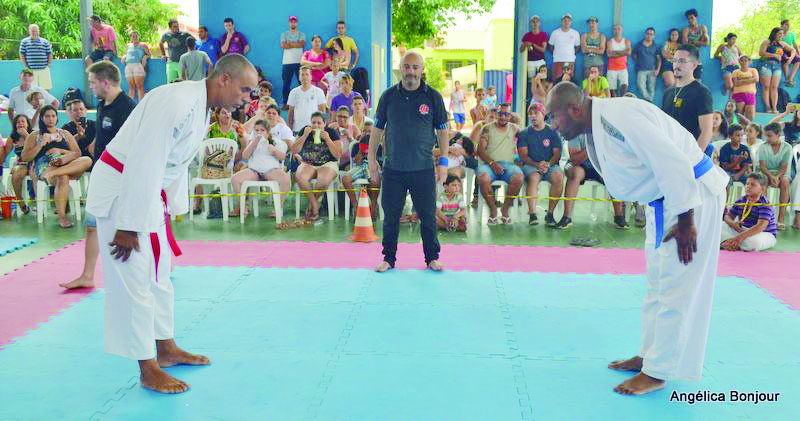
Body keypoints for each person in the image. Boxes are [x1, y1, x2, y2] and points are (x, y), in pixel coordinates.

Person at [85, 54, 257, 394]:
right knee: (135, 279)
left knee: (160, 272)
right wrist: (128, 225)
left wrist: (169, 210)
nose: (247, 98)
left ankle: (165, 347)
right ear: (224, 79)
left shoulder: (201, 107)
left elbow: (172, 165)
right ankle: (147, 367)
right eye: (245, 90)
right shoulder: (177, 101)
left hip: (147, 195)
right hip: (123, 191)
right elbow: (145, 159)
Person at [546, 81, 728, 396]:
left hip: (690, 199)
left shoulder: (619, 117)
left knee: (676, 287)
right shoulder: (598, 122)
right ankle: (649, 355)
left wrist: (686, 220)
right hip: (664, 200)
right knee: (657, 284)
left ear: (574, 109)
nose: (553, 125)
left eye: (554, 116)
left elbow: (672, 161)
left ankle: (658, 372)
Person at [369, 51, 449, 272]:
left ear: (422, 70)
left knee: (428, 216)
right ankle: (388, 258)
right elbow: (377, 129)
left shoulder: (433, 97)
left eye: (415, 67)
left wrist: (443, 161)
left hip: (423, 168)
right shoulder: (388, 96)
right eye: (407, 66)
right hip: (393, 168)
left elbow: (443, 131)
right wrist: (371, 159)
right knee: (391, 216)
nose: (411, 71)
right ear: (401, 69)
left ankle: (432, 258)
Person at [60, 61, 137, 290]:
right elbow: (103, 136)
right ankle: (87, 275)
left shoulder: (128, 108)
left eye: (93, 82)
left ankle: (156, 267)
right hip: (100, 173)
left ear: (105, 82)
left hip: (119, 177)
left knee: (129, 229)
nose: (91, 87)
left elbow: (134, 146)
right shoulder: (103, 104)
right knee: (92, 225)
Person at [21, 105, 92, 228]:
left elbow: (77, 153)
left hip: (65, 162)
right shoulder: (34, 135)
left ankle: (53, 173)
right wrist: (41, 144)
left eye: (53, 116)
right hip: (46, 164)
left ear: (57, 118)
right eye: (47, 116)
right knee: (63, 177)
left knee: (87, 160)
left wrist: (61, 152)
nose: (51, 119)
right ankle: (62, 218)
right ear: (42, 118)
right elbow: (25, 157)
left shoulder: (65, 133)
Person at [559, 132, 626, 229]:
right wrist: (591, 146)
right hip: (578, 164)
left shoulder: (605, 131)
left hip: (600, 164)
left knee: (613, 174)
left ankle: (619, 216)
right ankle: (566, 217)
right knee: (575, 174)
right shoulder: (576, 131)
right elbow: (575, 159)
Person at [230, 119, 290, 218]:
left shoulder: (275, 142)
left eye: (262, 130)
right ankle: (243, 206)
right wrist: (254, 143)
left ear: (268, 132)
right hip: (254, 171)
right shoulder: (252, 142)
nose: (259, 132)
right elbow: (245, 156)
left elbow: (283, 157)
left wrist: (275, 151)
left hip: (271, 170)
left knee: (286, 180)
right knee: (234, 179)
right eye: (256, 130)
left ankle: (278, 207)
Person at [476, 103, 523, 225]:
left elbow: (527, 141)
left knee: (519, 177)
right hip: (488, 165)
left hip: (509, 165)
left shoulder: (515, 129)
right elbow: (480, 150)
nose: (503, 117)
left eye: (506, 114)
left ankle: (505, 209)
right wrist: (492, 163)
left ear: (510, 116)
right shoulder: (487, 128)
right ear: (496, 114)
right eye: (500, 114)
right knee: (483, 178)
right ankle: (493, 210)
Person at [517, 102, 563, 227]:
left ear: (543, 114)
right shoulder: (524, 133)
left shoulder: (553, 132)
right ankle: (532, 214)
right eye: (530, 114)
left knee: (559, 177)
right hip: (531, 165)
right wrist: (537, 165)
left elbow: (557, 154)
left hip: (550, 164)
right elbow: (523, 156)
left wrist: (548, 164)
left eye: (536, 113)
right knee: (534, 177)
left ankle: (550, 214)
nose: (532, 116)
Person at [662, 45, 714, 157]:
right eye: (674, 61)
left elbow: (707, 131)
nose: (676, 65)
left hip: (689, 156)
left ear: (694, 65)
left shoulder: (701, 92)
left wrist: (693, 159)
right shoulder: (668, 93)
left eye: (682, 61)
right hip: (669, 154)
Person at [291, 112, 342, 220]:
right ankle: (315, 205)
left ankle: (311, 206)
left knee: (323, 180)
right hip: (308, 163)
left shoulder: (331, 132)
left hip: (328, 163)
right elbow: (294, 150)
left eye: (319, 123)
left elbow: (338, 155)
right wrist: (304, 135)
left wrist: (328, 139)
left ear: (324, 124)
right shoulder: (305, 130)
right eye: (313, 122)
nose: (316, 125)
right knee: (300, 177)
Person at [721, 173, 778, 251]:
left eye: (753, 185)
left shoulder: (765, 204)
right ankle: (734, 243)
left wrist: (739, 238)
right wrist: (733, 224)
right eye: (747, 184)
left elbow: (760, 227)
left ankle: (731, 243)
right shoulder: (741, 200)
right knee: (720, 226)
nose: (748, 186)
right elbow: (727, 216)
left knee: (754, 242)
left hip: (762, 233)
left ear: (762, 189)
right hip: (742, 230)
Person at [758, 123, 793, 229]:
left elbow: (784, 167)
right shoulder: (763, 147)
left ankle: (781, 219)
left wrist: (777, 177)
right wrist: (771, 177)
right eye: (766, 136)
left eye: (769, 136)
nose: (767, 138)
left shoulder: (787, 147)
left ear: (778, 135)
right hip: (766, 172)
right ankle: (765, 218)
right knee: (763, 181)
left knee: (785, 182)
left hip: (781, 173)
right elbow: (762, 166)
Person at [342, 125, 381, 218]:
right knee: (345, 179)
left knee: (375, 180)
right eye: (364, 131)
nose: (367, 133)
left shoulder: (378, 145)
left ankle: (373, 206)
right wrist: (361, 148)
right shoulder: (356, 145)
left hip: (372, 166)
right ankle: (356, 205)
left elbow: (380, 161)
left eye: (369, 131)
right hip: (360, 167)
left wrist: (371, 149)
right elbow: (357, 162)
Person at [3, 115, 33, 214]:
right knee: (15, 176)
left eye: (23, 121)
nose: (20, 124)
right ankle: (21, 202)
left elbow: (36, 148)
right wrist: (14, 165)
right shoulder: (13, 137)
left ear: (28, 124)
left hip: (35, 162)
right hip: (23, 163)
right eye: (18, 122)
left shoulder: (33, 134)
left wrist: (26, 135)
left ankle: (38, 201)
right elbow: (5, 153)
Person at [759, 27, 793, 114]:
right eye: (779, 33)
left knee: (774, 87)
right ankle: (767, 108)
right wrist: (774, 55)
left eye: (782, 34)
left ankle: (774, 108)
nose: (781, 35)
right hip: (766, 65)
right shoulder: (767, 42)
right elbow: (761, 53)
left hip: (777, 67)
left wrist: (790, 59)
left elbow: (793, 50)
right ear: (774, 34)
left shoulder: (782, 43)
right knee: (766, 87)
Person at [287, 66, 327, 133]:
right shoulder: (293, 92)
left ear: (311, 77)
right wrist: (290, 130)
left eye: (307, 74)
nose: (304, 77)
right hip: (297, 129)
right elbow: (291, 113)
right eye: (302, 74)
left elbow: (322, 112)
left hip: (314, 130)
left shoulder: (319, 91)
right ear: (299, 77)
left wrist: (322, 130)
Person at [280, 16, 306, 108]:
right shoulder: (284, 34)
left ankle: (304, 102)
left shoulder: (302, 34)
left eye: (294, 22)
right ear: (289, 23)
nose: (293, 23)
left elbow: (302, 44)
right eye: (291, 22)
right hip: (287, 62)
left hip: (299, 62)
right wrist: (296, 44)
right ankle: (285, 103)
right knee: (286, 84)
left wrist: (290, 43)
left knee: (302, 82)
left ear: (297, 23)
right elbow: (283, 45)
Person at [19, 24, 53, 90]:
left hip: (44, 69)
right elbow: (21, 54)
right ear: (29, 31)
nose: (34, 32)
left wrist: (48, 65)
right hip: (31, 70)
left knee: (46, 89)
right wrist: (25, 66)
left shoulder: (45, 41)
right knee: (31, 90)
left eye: (36, 31)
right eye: (32, 31)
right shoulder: (24, 42)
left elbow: (49, 53)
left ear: (38, 31)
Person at [548, 13, 580, 81]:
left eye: (568, 20)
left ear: (571, 22)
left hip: (570, 61)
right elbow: (550, 46)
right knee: (557, 81)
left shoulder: (575, 33)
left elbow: (577, 47)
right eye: (565, 20)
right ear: (561, 21)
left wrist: (570, 54)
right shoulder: (555, 33)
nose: (566, 22)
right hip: (557, 60)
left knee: (570, 82)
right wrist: (557, 54)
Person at [632, 27, 661, 102]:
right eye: (647, 34)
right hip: (641, 69)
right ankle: (649, 100)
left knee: (651, 88)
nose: (649, 35)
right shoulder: (638, 45)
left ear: (654, 36)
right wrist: (640, 61)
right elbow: (634, 55)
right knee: (640, 85)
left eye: (651, 34)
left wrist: (658, 70)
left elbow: (659, 59)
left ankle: (649, 103)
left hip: (652, 70)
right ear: (645, 34)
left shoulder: (656, 46)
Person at [121, 31, 151, 101]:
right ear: (131, 37)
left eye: (136, 36)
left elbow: (149, 54)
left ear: (138, 37)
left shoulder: (143, 45)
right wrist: (124, 56)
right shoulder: (128, 45)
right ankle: (130, 105)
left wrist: (145, 57)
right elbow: (127, 54)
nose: (134, 37)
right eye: (133, 36)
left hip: (137, 65)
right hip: (128, 66)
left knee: (139, 86)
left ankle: (141, 104)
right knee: (131, 87)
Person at [731, 55, 759, 123]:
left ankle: (748, 128)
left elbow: (756, 79)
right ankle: (740, 128)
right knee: (740, 115)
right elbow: (736, 83)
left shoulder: (753, 70)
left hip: (750, 94)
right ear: (739, 62)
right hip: (738, 94)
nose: (743, 62)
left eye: (745, 60)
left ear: (749, 62)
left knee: (750, 116)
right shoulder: (735, 72)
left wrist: (741, 80)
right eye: (741, 60)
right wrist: (750, 79)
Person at [606, 24, 631, 97]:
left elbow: (628, 53)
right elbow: (609, 55)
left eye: (619, 29)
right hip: (611, 68)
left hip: (623, 68)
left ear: (622, 30)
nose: (617, 31)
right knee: (611, 89)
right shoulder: (610, 42)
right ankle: (614, 102)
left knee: (624, 86)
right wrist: (623, 52)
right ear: (613, 31)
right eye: (615, 29)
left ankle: (622, 100)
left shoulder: (626, 41)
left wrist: (614, 52)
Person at [521, 15, 548, 80]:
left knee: (543, 79)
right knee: (531, 80)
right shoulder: (527, 35)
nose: (535, 23)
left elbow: (543, 50)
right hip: (530, 61)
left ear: (539, 23)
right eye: (533, 22)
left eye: (537, 22)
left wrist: (533, 44)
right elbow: (521, 50)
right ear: (530, 23)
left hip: (540, 60)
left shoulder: (543, 34)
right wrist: (525, 45)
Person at [781, 19, 800, 86]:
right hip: (781, 51)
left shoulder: (792, 34)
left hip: (790, 51)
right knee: (786, 60)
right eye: (786, 24)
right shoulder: (779, 33)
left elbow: (795, 45)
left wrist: (798, 53)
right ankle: (787, 79)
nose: (788, 26)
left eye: (788, 25)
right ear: (782, 25)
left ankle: (790, 78)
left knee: (798, 59)